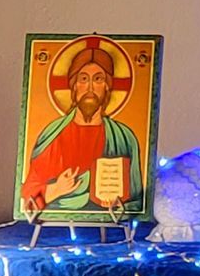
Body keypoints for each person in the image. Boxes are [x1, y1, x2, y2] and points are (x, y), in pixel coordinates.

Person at [21, 45, 144, 213]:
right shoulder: (53, 136)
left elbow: (138, 200)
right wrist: (56, 189)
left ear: (107, 86)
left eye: (98, 79)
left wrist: (119, 204)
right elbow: (29, 196)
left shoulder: (124, 138)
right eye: (83, 79)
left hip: (112, 220)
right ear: (74, 86)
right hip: (56, 222)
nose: (90, 88)